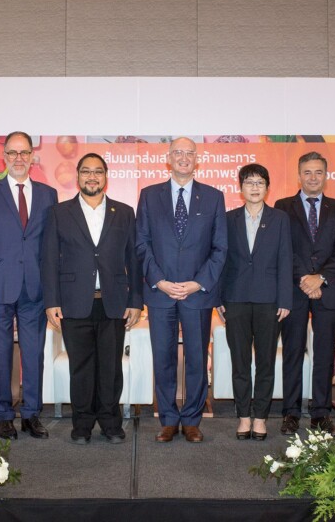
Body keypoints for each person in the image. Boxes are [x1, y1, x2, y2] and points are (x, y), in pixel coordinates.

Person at [42, 153, 143, 445]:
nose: (92, 177)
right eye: (86, 171)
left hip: (114, 302)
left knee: (111, 367)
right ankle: (82, 424)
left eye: (98, 171)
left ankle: (111, 423)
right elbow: (49, 259)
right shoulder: (59, 212)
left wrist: (136, 300)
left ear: (106, 176)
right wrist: (51, 301)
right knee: (81, 368)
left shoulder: (124, 212)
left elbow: (134, 259)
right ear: (77, 176)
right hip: (73, 302)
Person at [136, 137, 227, 443]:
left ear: (197, 159)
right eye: (178, 152)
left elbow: (220, 248)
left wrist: (198, 282)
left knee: (196, 359)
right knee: (163, 358)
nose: (184, 157)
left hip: (197, 293)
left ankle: (191, 419)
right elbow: (142, 244)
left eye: (190, 153)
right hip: (160, 292)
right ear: (169, 158)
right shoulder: (149, 196)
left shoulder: (213, 197)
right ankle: (168, 419)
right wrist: (159, 281)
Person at [0, 131, 58, 439]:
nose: (18, 158)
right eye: (12, 153)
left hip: (35, 289)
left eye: (24, 153)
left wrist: (53, 292)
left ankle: (31, 414)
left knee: (34, 355)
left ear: (32, 156)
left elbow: (52, 247)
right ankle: (4, 415)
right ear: (4, 156)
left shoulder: (48, 194)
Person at [274, 152, 335, 437]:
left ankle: (321, 413)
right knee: (293, 352)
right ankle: (291, 413)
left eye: (318, 172)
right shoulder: (283, 207)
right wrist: (304, 278)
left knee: (325, 354)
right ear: (299, 175)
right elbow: (282, 248)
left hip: (328, 289)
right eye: (307, 172)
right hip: (293, 291)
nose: (313, 177)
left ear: (326, 175)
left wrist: (321, 278)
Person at [218, 163, 291, 441]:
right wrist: (219, 298)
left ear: (268, 187)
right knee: (239, 362)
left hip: (269, 301)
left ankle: (260, 417)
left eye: (260, 182)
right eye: (249, 182)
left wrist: (285, 299)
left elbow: (285, 258)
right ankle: (243, 417)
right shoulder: (228, 219)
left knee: (265, 363)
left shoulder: (280, 219)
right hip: (235, 299)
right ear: (240, 188)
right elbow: (221, 259)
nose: (255, 187)